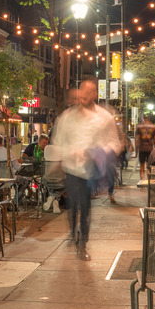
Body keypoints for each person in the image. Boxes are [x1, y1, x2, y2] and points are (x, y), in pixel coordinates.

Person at [52, 79, 121, 260]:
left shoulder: (104, 117)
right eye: (81, 92)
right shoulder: (67, 116)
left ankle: (82, 244)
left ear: (94, 95)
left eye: (87, 93)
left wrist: (97, 153)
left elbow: (115, 143)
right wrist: (66, 154)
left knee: (85, 206)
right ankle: (73, 233)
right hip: (71, 167)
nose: (83, 96)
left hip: (90, 168)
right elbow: (58, 140)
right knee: (72, 205)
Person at [135, 115, 155, 180]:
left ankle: (142, 179)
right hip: (150, 148)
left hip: (142, 148)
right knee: (149, 165)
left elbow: (137, 138)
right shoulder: (153, 127)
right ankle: (149, 179)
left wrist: (136, 150)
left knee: (142, 165)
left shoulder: (139, 127)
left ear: (143, 118)